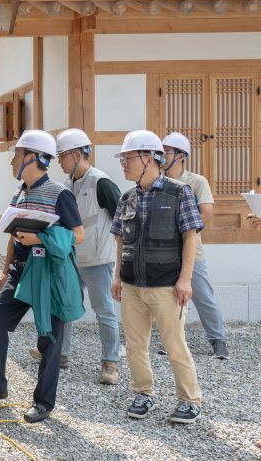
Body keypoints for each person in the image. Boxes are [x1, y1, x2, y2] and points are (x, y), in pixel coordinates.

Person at [0, 130, 84, 424]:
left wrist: (40, 239)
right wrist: (5, 270)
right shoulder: (19, 192)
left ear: (32, 157)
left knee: (49, 340)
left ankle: (43, 403)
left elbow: (78, 236)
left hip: (48, 275)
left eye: (17, 155)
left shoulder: (60, 194)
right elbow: (12, 237)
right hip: (20, 272)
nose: (12, 161)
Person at [110, 130, 203, 424]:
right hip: (131, 284)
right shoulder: (126, 197)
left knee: (174, 345)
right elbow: (120, 241)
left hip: (167, 285)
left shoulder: (179, 192)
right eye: (122, 159)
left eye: (128, 158)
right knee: (135, 344)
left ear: (148, 158)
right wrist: (116, 277)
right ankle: (142, 393)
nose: (123, 164)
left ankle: (190, 400)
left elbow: (190, 237)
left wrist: (185, 279)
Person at [27, 128, 122, 384]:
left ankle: (110, 363)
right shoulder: (67, 185)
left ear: (78, 154)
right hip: (70, 259)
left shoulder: (100, 182)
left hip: (99, 261)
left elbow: (121, 220)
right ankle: (61, 354)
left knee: (104, 311)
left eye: (63, 157)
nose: (59, 162)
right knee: (65, 306)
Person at [162, 132, 229, 359]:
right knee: (169, 297)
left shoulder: (197, 181)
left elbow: (206, 212)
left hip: (192, 248)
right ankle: (171, 341)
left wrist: (180, 227)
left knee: (202, 295)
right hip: (164, 249)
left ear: (181, 155)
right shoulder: (158, 182)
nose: (162, 156)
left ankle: (218, 340)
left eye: (167, 152)